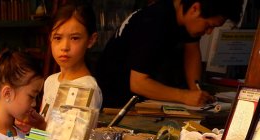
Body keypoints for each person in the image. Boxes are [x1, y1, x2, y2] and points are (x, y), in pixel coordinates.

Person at [95, 0, 242, 108]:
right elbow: (138, 83)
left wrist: (196, 92)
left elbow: (192, 51)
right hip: (114, 102)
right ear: (195, 9)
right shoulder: (154, 22)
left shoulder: (185, 17)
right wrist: (185, 96)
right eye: (209, 26)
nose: (209, 32)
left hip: (141, 99)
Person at [40, 2, 102, 115]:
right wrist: (32, 127)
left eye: (74, 38)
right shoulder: (50, 81)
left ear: (91, 40)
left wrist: (39, 127)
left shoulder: (86, 88)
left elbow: (73, 133)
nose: (64, 47)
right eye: (58, 38)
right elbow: (43, 129)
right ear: (50, 38)